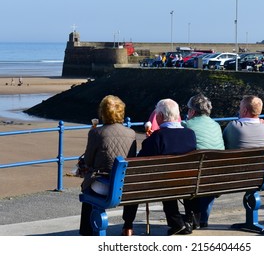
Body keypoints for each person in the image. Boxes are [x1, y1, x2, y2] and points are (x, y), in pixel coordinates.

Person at [122, 98, 197, 236]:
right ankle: (186, 220)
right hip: (188, 182)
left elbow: (139, 164)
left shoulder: (157, 137)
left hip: (163, 185)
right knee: (172, 178)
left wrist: (149, 140)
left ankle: (128, 225)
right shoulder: (190, 134)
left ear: (160, 116)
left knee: (133, 181)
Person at [79, 95, 137, 236]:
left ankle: (86, 231)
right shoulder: (131, 133)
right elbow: (131, 159)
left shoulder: (96, 133)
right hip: (125, 186)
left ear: (103, 113)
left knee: (87, 187)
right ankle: (128, 225)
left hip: (104, 186)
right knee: (127, 182)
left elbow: (88, 161)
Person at [182, 93, 225, 228]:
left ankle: (193, 218)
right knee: (206, 172)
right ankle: (202, 219)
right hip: (218, 176)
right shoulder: (216, 125)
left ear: (192, 111)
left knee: (186, 173)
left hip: (196, 177)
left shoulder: (186, 125)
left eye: (188, 110)